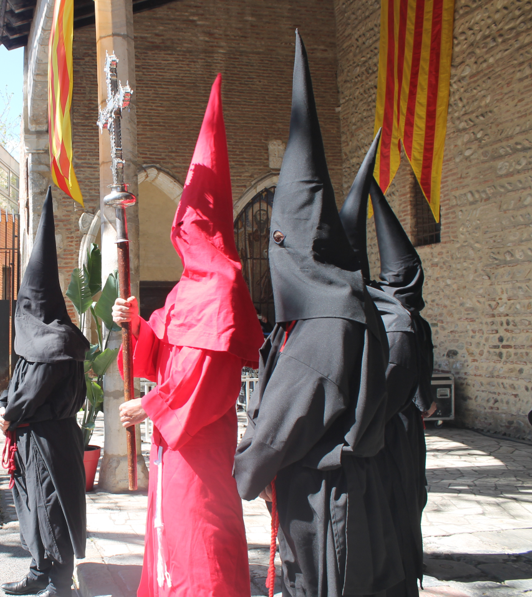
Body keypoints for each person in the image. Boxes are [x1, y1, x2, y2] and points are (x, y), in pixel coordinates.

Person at [233, 32, 402, 597]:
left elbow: (283, 423)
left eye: (279, 242)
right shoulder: (350, 305)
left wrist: (243, 470)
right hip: (353, 493)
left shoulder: (327, 320)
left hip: (326, 504)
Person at [113, 75, 264, 597]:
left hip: (197, 444)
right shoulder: (184, 288)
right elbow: (158, 346)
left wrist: (151, 406)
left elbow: (209, 375)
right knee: (171, 535)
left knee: (203, 541)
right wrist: (134, 324)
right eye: (182, 222)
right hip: (170, 445)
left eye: (190, 222)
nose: (182, 230)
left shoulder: (223, 284)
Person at [340, 164, 438, 597]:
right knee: (402, 501)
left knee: (391, 505)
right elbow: (412, 379)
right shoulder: (407, 319)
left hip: (376, 431)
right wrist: (423, 402)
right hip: (397, 431)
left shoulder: (377, 314)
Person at [0, 187, 89, 597]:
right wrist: (2, 407)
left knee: (52, 508)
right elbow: (16, 384)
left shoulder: (57, 342)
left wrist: (6, 413)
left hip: (51, 440)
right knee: (32, 507)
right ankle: (38, 570)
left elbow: (30, 392)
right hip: (31, 438)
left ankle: (59, 582)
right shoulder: (37, 342)